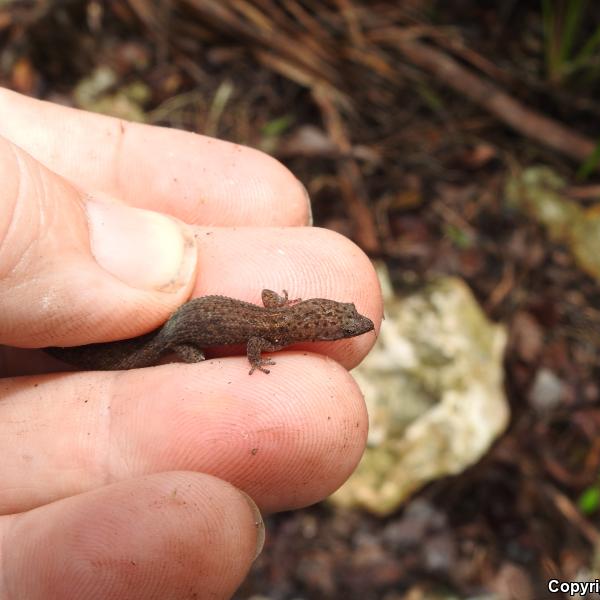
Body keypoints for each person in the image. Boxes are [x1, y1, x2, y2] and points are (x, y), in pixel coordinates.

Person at [0, 87, 381, 599]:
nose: (350, 327)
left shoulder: (276, 316)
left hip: (186, 319)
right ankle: (125, 351)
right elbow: (250, 346)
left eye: (345, 323)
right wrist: (254, 364)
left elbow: (267, 302)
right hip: (180, 330)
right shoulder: (268, 333)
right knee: (157, 353)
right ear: (314, 326)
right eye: (342, 324)